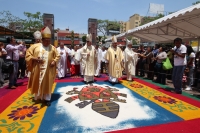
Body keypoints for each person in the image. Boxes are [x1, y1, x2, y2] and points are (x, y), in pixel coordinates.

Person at [26, 27, 60, 106]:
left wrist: (54, 61)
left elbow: (58, 56)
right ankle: (38, 97)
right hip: (38, 69)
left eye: (49, 41)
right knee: (38, 82)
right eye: (46, 41)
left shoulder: (52, 48)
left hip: (49, 69)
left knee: (48, 83)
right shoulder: (35, 47)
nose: (48, 42)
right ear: (42, 40)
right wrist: (34, 58)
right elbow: (28, 55)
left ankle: (47, 99)